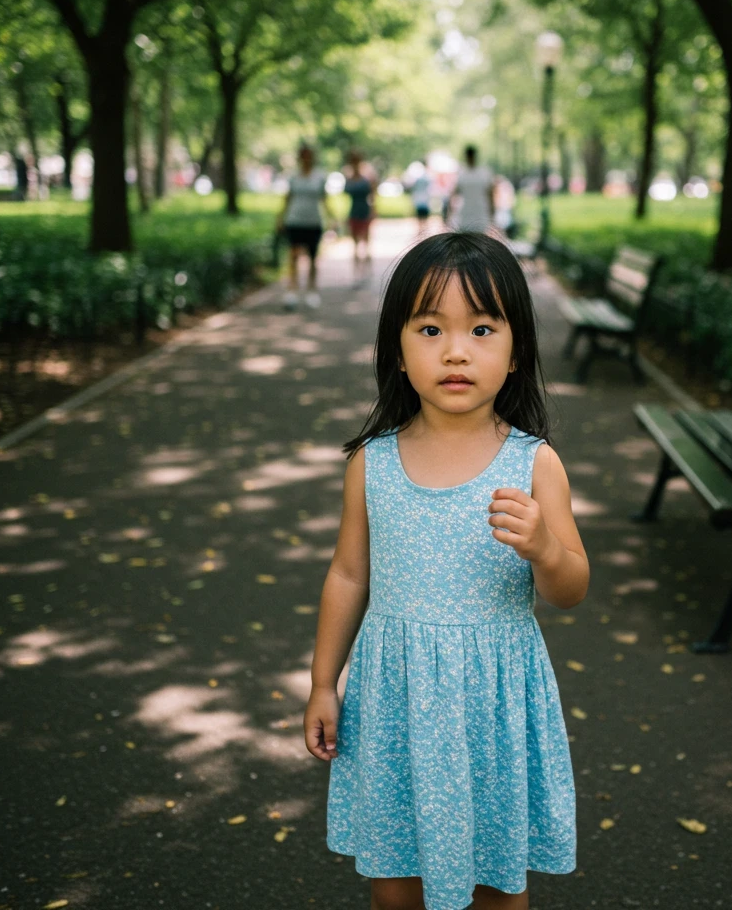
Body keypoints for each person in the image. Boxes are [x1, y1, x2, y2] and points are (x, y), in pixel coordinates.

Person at [305, 232, 587, 910]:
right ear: (397, 351)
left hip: (493, 706)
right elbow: (348, 576)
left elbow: (571, 586)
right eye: (430, 328)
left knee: (496, 885)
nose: (456, 351)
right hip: (396, 703)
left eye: (482, 329)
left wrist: (546, 548)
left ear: (516, 352)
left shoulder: (534, 464)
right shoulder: (371, 464)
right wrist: (322, 682)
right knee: (395, 885)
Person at [278, 144, 335, 310]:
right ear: (300, 158)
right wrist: (280, 218)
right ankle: (292, 291)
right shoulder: (293, 177)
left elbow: (324, 200)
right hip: (294, 221)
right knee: (293, 256)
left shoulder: (319, 177)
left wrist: (332, 219)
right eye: (304, 156)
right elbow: (287, 198)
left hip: (313, 222)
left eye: (309, 155)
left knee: (312, 257)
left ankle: (312, 290)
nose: (306, 159)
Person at [343, 149, 377, 284]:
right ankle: (357, 274)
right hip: (354, 212)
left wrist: (373, 211)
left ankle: (367, 271)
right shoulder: (349, 177)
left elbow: (373, 195)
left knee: (366, 242)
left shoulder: (367, 177)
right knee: (355, 244)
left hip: (364, 212)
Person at [449, 144, 495, 235]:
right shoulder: (462, 173)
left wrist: (492, 211)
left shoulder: (484, 173)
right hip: (466, 211)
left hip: (480, 210)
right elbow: (455, 193)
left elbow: (490, 193)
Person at [410, 160, 433, 235]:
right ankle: (424, 232)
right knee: (425, 219)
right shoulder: (428, 177)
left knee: (419, 220)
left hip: (419, 201)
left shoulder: (418, 177)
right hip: (425, 201)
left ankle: (420, 232)